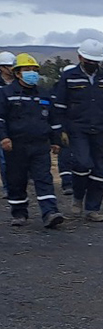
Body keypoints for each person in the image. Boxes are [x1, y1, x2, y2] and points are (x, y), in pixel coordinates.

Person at [50, 38, 103, 222]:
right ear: (80, 57)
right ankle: (78, 198)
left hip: (102, 129)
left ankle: (93, 208)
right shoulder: (69, 77)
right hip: (78, 129)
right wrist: (60, 130)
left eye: (95, 61)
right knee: (82, 164)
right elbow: (58, 105)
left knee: (100, 168)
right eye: (89, 61)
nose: (92, 64)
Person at [0, 53, 65, 228]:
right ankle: (19, 213)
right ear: (18, 73)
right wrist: (4, 138)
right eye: (27, 69)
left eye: (34, 70)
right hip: (16, 145)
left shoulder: (44, 95)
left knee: (44, 178)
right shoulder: (6, 94)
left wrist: (56, 140)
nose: (32, 73)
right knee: (17, 180)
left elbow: (53, 120)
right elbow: (1, 119)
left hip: (40, 145)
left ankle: (50, 212)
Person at [56, 65, 76, 195]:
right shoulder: (57, 89)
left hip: (80, 126)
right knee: (65, 155)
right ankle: (67, 182)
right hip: (64, 126)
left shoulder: (82, 89)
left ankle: (78, 182)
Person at [0, 51, 16, 197]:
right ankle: (7, 186)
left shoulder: (21, 83)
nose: (11, 69)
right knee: (4, 159)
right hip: (1, 124)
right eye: (8, 66)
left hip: (18, 123)